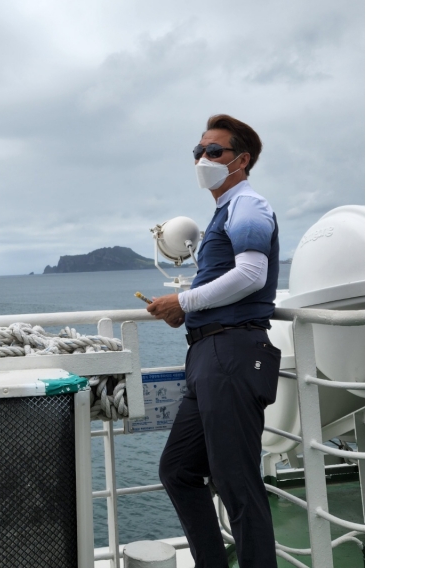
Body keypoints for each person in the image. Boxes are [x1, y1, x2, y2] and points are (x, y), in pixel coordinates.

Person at [147, 114, 281, 568]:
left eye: (214, 151)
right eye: (198, 151)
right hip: (209, 354)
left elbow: (252, 274)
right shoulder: (225, 209)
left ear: (241, 160)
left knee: (237, 483)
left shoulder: (248, 206)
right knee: (179, 469)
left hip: (232, 352)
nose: (202, 159)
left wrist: (184, 301)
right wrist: (186, 310)